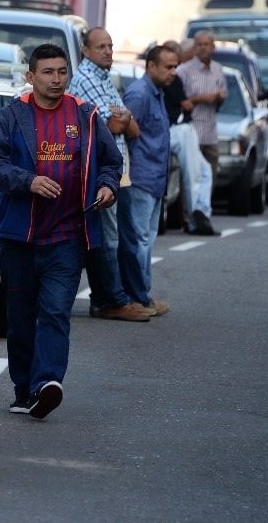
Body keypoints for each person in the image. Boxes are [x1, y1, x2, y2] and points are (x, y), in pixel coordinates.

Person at [0, 44, 123, 418]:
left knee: (57, 312)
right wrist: (28, 181)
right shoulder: (13, 116)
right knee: (22, 318)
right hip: (20, 238)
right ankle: (24, 388)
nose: (56, 79)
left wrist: (107, 187)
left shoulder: (86, 115)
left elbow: (112, 161)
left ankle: (47, 384)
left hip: (68, 237)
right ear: (31, 76)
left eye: (62, 72)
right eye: (47, 72)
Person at [66, 27, 150, 322]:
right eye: (101, 46)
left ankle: (111, 298)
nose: (108, 51)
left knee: (111, 237)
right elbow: (113, 126)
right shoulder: (85, 79)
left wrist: (123, 119)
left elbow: (131, 126)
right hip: (98, 172)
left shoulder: (104, 79)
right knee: (108, 238)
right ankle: (111, 300)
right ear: (85, 51)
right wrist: (123, 119)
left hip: (115, 170)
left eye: (111, 46)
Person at [118, 45, 178, 317]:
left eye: (175, 67)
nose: (173, 72)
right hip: (141, 177)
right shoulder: (140, 94)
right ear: (151, 67)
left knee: (147, 239)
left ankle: (143, 295)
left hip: (155, 177)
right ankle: (137, 297)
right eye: (168, 67)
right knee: (139, 239)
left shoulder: (157, 94)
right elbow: (125, 132)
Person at [161, 39, 217, 236]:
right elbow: (185, 104)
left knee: (205, 171)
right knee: (194, 174)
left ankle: (202, 211)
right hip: (178, 129)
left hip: (184, 128)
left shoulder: (175, 76)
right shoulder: (170, 78)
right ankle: (195, 220)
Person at [175, 30, 228, 189]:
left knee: (209, 178)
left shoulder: (218, 69)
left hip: (211, 134)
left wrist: (219, 97)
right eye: (199, 44)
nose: (203, 48)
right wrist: (199, 98)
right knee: (191, 180)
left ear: (213, 47)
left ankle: (204, 211)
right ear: (194, 48)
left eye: (206, 44)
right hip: (191, 132)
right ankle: (188, 213)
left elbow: (223, 93)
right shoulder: (183, 71)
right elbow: (177, 100)